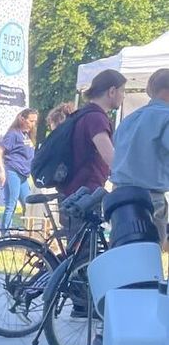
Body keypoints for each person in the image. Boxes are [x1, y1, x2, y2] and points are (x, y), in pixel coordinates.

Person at [111, 68, 169, 250]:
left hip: (120, 197)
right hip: (149, 197)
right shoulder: (166, 117)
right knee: (149, 257)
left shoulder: (129, 120)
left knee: (125, 253)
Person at [57, 69, 127, 198]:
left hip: (71, 190)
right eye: (122, 90)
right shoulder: (96, 118)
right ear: (112, 91)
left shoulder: (81, 114)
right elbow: (112, 159)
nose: (124, 96)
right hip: (85, 193)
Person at [0, 108, 38, 233]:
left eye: (35, 121)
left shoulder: (26, 134)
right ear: (22, 119)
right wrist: (2, 171)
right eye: (31, 121)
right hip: (13, 171)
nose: (33, 124)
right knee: (11, 205)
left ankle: (29, 233)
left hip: (24, 174)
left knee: (28, 204)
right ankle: (4, 236)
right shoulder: (13, 134)